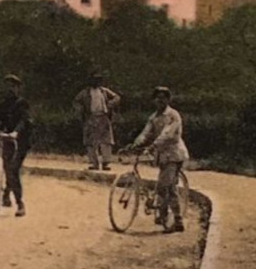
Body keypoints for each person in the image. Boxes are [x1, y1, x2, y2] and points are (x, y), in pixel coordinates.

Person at [128, 85, 189, 233]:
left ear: (168, 100)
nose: (159, 101)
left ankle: (178, 220)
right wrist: (136, 143)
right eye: (157, 99)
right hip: (162, 156)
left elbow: (167, 134)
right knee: (164, 184)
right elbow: (146, 132)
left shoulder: (173, 115)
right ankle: (162, 214)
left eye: (163, 98)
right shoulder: (153, 117)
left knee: (167, 187)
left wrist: (153, 145)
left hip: (174, 154)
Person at [0, 73, 31, 217]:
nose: (10, 90)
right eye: (7, 87)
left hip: (21, 142)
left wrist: (16, 132)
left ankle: (20, 204)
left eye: (13, 86)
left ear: (18, 88)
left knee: (13, 170)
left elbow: (24, 121)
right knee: (8, 169)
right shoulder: (2, 105)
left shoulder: (22, 104)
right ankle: (6, 193)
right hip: (6, 141)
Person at [74, 73, 121, 170]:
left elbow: (117, 97)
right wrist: (81, 109)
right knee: (90, 142)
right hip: (90, 117)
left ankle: (106, 163)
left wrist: (110, 104)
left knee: (106, 141)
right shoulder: (85, 92)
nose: (96, 82)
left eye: (98, 80)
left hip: (103, 117)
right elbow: (76, 101)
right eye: (94, 80)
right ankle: (94, 163)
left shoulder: (104, 91)